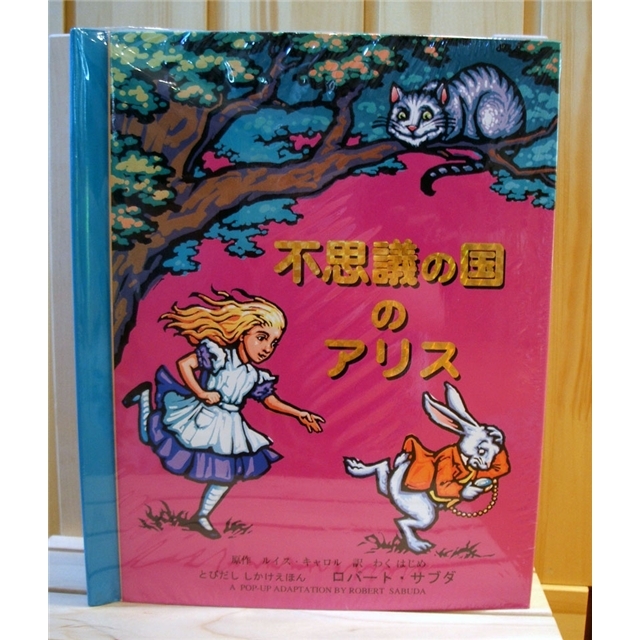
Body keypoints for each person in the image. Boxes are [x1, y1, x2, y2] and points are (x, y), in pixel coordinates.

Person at [123, 290, 324, 539]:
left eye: (273, 343)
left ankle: (201, 516)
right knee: (152, 438)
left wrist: (299, 413)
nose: (267, 348)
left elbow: (269, 401)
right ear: (243, 332)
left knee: (227, 474)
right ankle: (144, 398)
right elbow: (185, 364)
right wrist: (201, 393)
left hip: (229, 424)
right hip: (202, 414)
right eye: (261, 338)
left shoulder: (254, 375)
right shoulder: (219, 354)